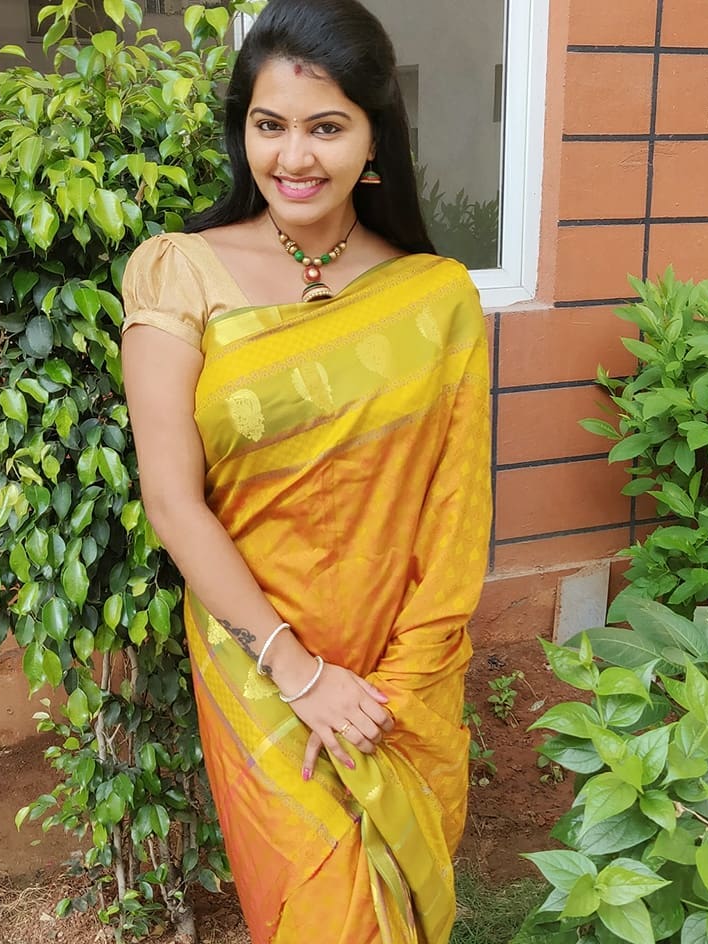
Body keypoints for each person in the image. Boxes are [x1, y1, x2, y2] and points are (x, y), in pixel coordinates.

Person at [120, 0, 491, 941]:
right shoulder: (180, 272)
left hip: (398, 664)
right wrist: (299, 672)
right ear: (242, 130)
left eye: (326, 127)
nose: (293, 156)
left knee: (397, 890)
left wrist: (402, 681)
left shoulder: (434, 297)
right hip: (258, 656)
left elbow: (455, 512)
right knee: (321, 902)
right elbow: (172, 500)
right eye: (269, 124)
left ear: (375, 139)